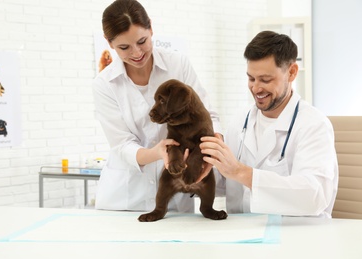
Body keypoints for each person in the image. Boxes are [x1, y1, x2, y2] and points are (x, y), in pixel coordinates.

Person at [92, 0, 222, 212]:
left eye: (142, 41)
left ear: (151, 28)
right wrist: (158, 153)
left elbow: (209, 115)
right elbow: (122, 144)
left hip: (177, 196)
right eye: (124, 47)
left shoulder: (178, 65)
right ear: (109, 43)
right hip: (125, 199)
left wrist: (212, 151)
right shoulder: (104, 84)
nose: (136, 53)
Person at [200, 31, 339, 218]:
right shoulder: (240, 120)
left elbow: (314, 196)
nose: (256, 88)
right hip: (241, 235)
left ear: (291, 72)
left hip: (296, 237)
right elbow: (229, 181)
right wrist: (196, 175)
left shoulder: (314, 125)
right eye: (251, 78)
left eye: (265, 80)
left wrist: (242, 172)